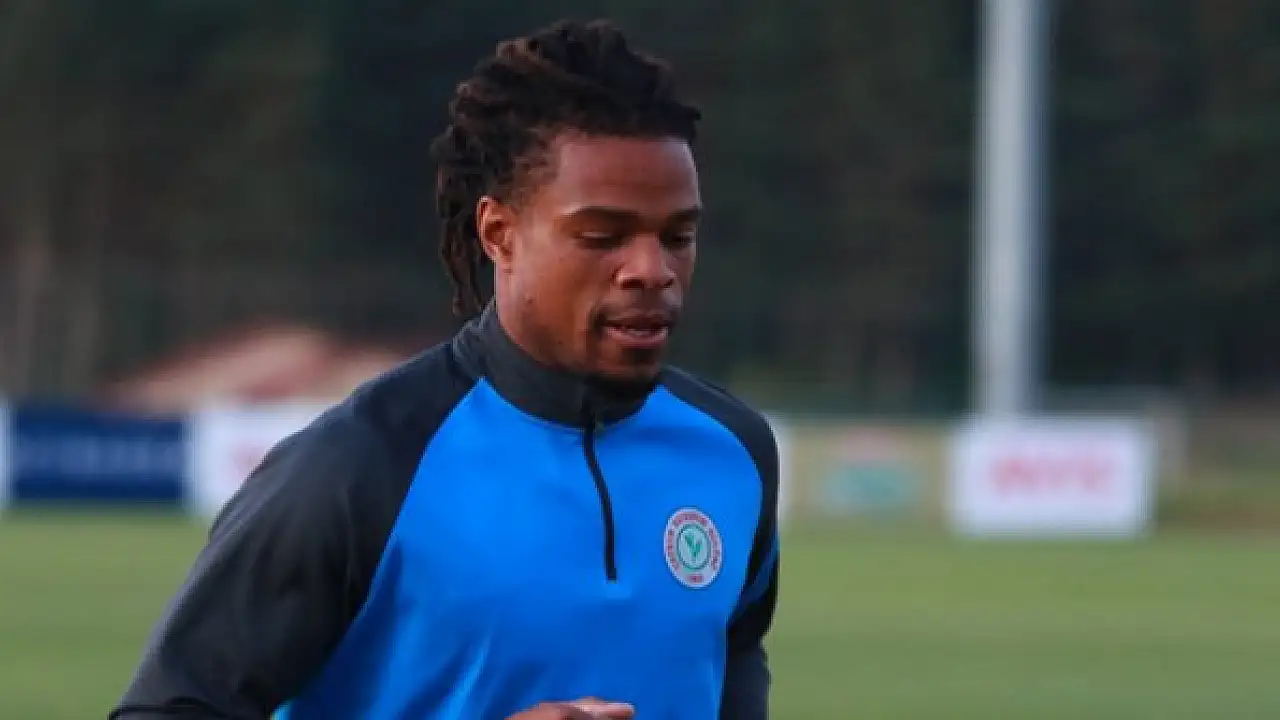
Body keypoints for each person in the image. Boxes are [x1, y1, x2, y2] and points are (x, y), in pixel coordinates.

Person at [109, 17, 780, 720]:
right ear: (499, 233)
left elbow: (733, 658)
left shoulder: (734, 451)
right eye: (601, 235)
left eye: (678, 236)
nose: (652, 269)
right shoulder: (358, 468)